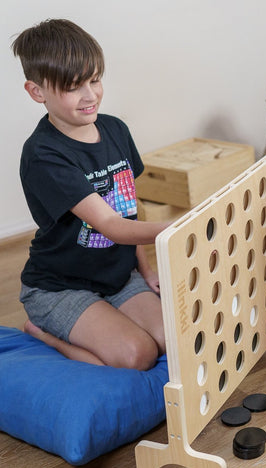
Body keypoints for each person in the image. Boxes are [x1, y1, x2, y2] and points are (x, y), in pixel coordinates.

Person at [12, 19, 170, 370]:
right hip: (59, 287)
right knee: (138, 355)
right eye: (73, 87)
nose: (90, 95)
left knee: (170, 339)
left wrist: (145, 270)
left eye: (94, 79)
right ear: (37, 92)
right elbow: (112, 225)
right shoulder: (43, 155)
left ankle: (109, 313)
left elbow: (129, 208)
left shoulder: (115, 129)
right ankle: (43, 333)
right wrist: (180, 224)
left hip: (117, 276)